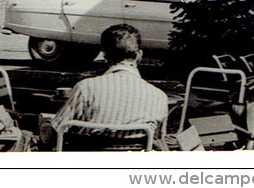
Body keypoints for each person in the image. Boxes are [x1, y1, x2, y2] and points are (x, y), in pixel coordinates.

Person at [39, 24, 169, 150]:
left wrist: (45, 125)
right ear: (139, 55)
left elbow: (51, 136)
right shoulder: (159, 97)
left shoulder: (86, 88)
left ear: (105, 56)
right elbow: (158, 140)